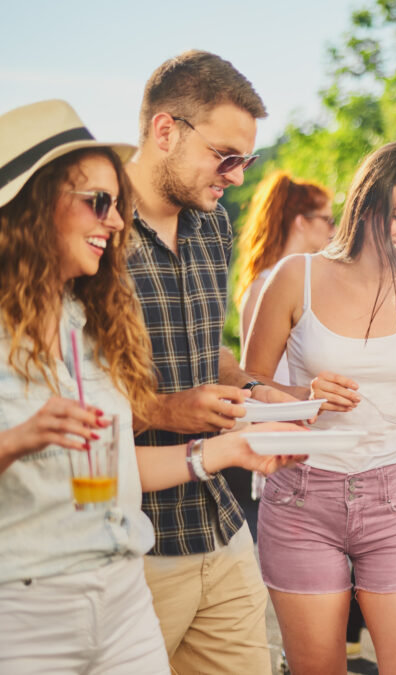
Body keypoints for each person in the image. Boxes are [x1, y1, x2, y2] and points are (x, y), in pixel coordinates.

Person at [0, 99, 299, 673]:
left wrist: (232, 445)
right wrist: (19, 440)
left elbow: (114, 468)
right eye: (97, 203)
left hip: (122, 590)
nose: (114, 222)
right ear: (32, 204)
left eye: (115, 205)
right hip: (27, 606)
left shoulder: (88, 323)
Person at [243, 139, 396, 675]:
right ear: (366, 204)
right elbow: (251, 385)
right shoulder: (296, 276)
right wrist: (300, 399)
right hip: (303, 497)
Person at [123, 51, 296, 674]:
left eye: (245, 159)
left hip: (218, 526)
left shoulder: (212, 224)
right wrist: (170, 409)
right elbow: (65, 402)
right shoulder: (94, 232)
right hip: (130, 545)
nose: (238, 177)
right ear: (165, 130)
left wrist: (257, 387)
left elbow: (205, 347)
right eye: (226, 157)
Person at [234, 170, 334, 501]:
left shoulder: (304, 283)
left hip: (306, 435)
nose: (333, 230)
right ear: (301, 222)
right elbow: (253, 376)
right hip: (286, 441)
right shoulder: (265, 286)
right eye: (327, 220)